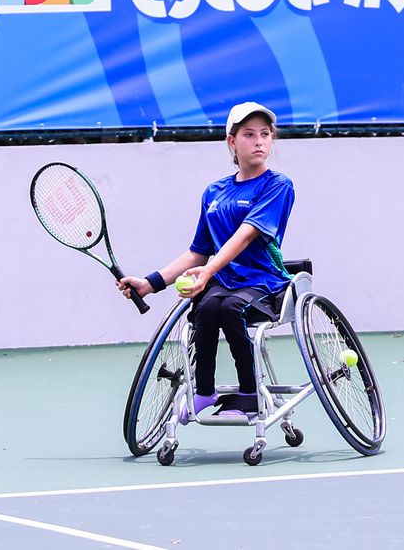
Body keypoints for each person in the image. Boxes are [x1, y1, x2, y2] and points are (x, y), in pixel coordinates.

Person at [118, 102, 295, 418]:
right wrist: (150, 283)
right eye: (249, 134)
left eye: (266, 134)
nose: (259, 141)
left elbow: (246, 234)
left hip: (263, 282)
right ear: (232, 142)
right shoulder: (214, 193)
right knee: (207, 306)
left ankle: (249, 393)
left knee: (229, 308)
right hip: (222, 281)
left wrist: (209, 269)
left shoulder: (277, 185)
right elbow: (197, 252)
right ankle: (203, 394)